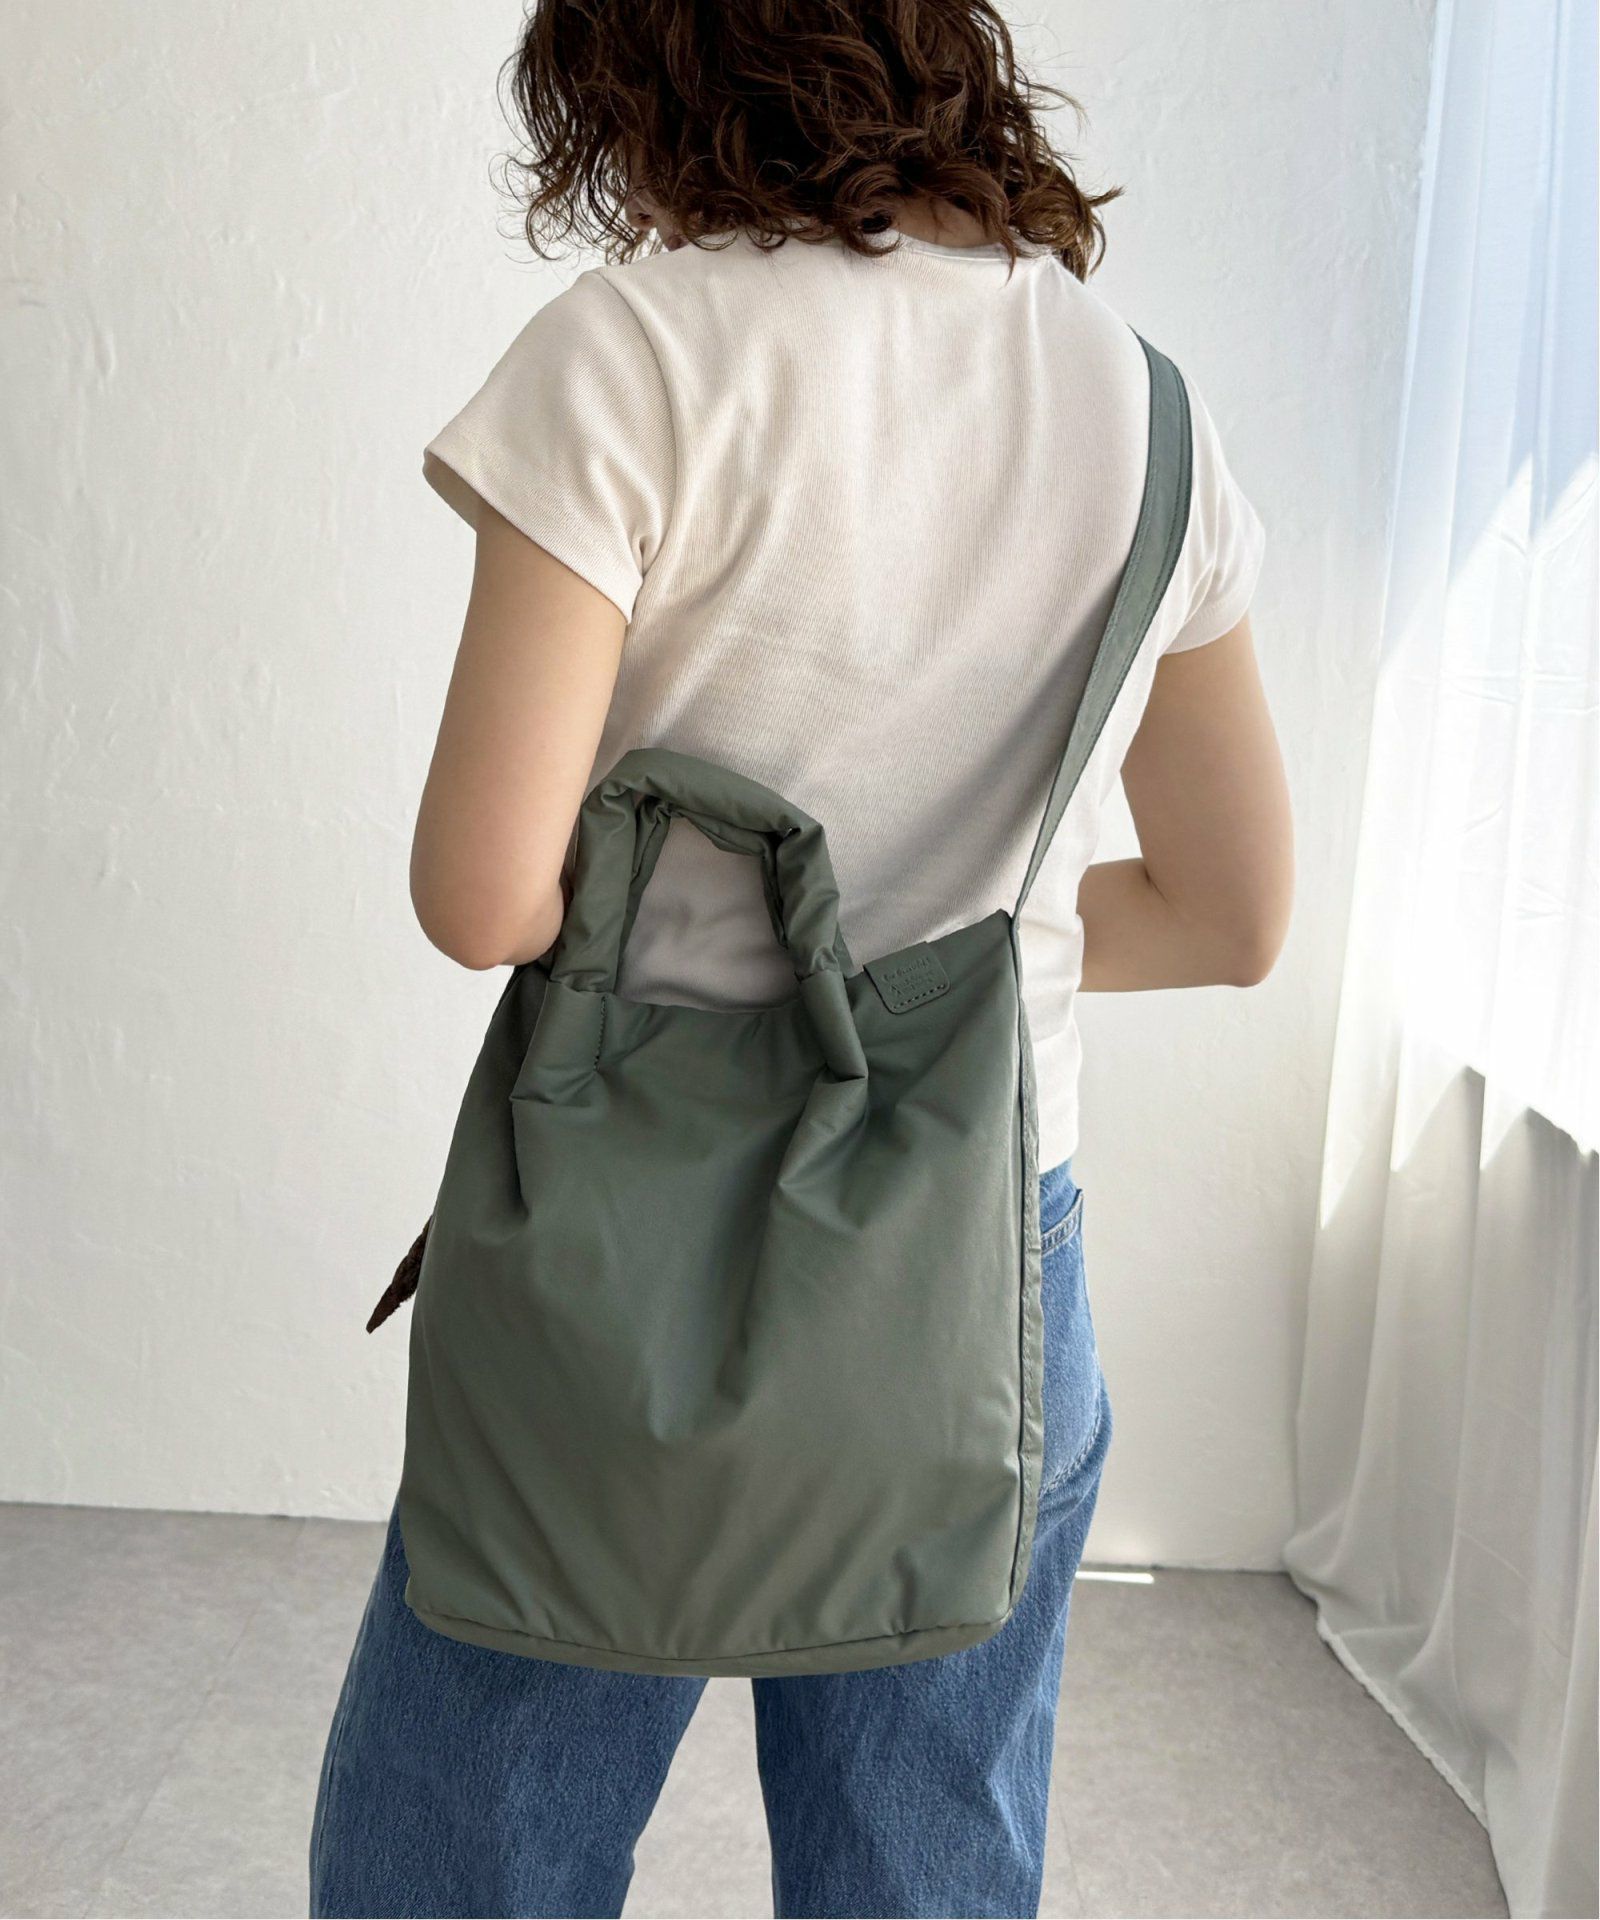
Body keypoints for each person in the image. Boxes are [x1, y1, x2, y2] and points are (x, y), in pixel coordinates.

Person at [310, 2, 1292, 1914]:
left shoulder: (637, 351)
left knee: (466, 1849)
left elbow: (483, 898)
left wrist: (735, 958)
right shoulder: (1145, 407)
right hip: (989, 1253)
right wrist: (931, 982)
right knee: (922, 1865)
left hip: (635, 1230)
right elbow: (1233, 914)